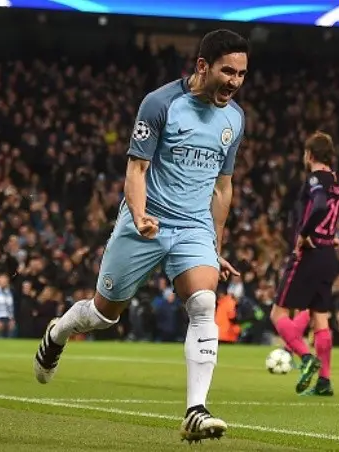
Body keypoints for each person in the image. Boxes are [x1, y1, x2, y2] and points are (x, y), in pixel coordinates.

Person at [33, 29, 248, 443]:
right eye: (228, 71)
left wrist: (215, 243)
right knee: (102, 314)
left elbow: (223, 188)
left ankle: (195, 410)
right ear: (202, 66)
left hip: (192, 227)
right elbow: (136, 169)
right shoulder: (161, 103)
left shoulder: (234, 119)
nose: (235, 82)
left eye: (241, 74)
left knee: (204, 302)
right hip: (145, 221)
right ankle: (58, 333)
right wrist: (139, 214)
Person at [271, 132, 339, 396]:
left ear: (309, 154)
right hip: (329, 255)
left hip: (309, 253)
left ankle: (305, 357)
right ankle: (324, 381)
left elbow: (319, 205)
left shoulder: (315, 179)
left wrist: (303, 235)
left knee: (278, 314)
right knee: (320, 319)